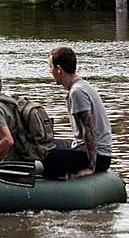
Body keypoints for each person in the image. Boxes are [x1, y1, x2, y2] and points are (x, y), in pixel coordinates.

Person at [42, 46, 112, 179]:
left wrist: (91, 168)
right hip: (93, 153)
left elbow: (88, 131)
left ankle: (62, 179)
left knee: (49, 157)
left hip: (99, 157)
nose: (49, 71)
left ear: (59, 69)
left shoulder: (77, 92)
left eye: (50, 67)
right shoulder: (82, 85)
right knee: (46, 146)